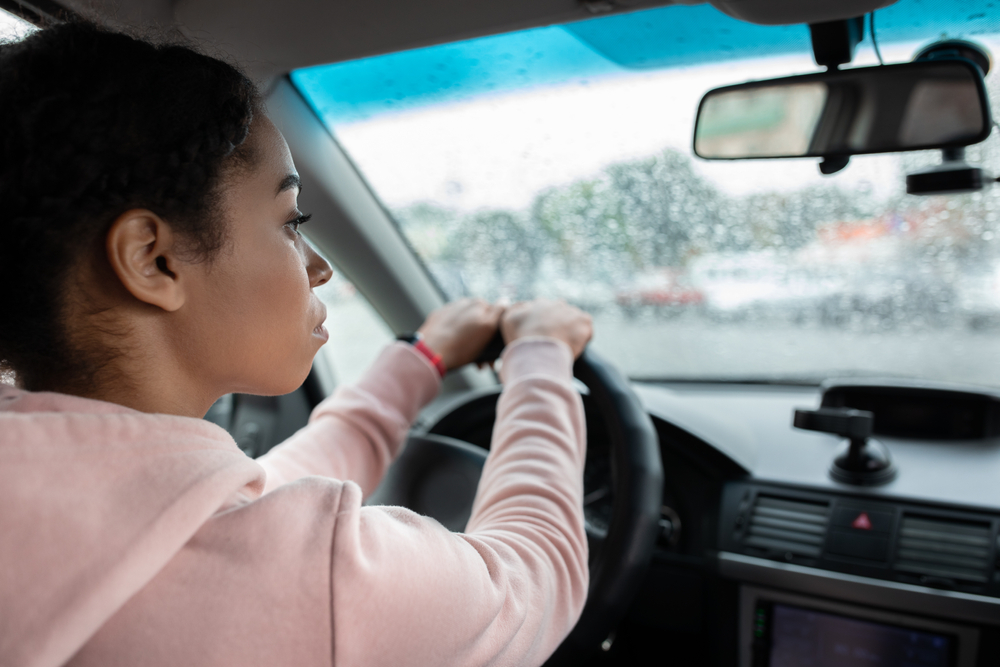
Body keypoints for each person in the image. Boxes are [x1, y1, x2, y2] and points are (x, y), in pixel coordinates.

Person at [0, 21, 592, 667]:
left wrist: (419, 362)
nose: (320, 268)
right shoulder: (320, 580)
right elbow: (536, 576)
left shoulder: (46, 499)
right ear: (153, 259)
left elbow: (242, 507)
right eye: (290, 223)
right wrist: (540, 359)